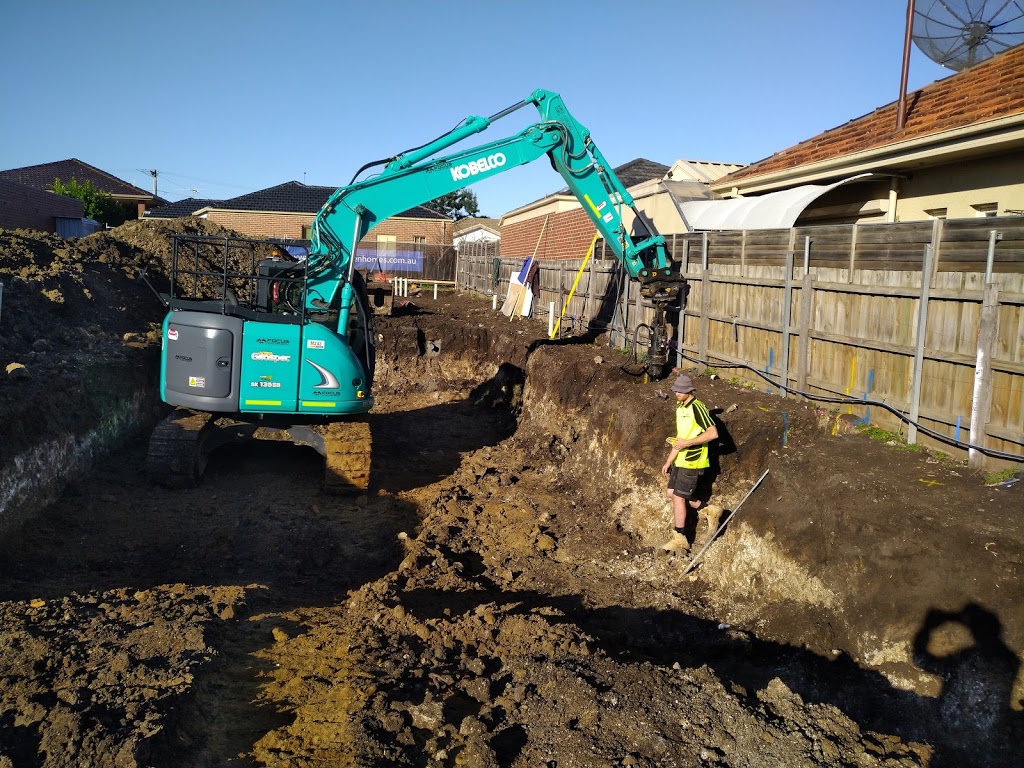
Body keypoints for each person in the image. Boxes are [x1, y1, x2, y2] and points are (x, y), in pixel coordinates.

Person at [661, 373, 721, 553]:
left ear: (689, 391)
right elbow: (680, 437)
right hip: (681, 459)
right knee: (672, 492)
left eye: (680, 391)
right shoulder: (680, 408)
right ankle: (708, 509)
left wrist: (688, 443)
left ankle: (680, 538)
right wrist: (669, 460)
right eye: (675, 390)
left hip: (693, 460)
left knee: (679, 497)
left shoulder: (698, 408)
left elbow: (713, 433)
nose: (676, 393)